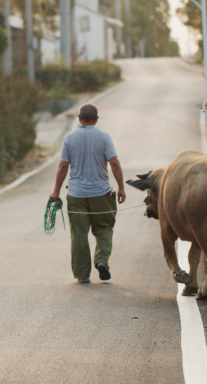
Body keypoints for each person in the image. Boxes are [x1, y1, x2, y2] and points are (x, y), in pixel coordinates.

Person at [49, 103, 126, 283]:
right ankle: (101, 261)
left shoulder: (69, 138)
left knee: (79, 233)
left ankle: (82, 275)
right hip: (101, 194)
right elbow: (114, 163)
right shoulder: (104, 137)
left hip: (76, 195)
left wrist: (55, 191)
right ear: (97, 119)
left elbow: (63, 166)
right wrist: (121, 187)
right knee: (104, 228)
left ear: (78, 118)